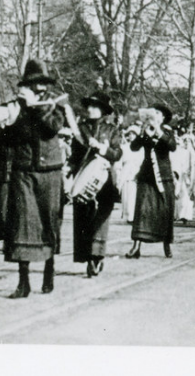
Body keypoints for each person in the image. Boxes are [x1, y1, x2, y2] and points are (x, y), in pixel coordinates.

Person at [0, 59, 66, 299]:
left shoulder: (55, 105)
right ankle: (23, 282)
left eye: (42, 84)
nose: (39, 88)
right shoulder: (15, 107)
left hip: (50, 172)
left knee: (49, 222)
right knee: (22, 224)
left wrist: (37, 107)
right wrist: (5, 124)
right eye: (34, 84)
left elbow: (52, 128)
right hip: (23, 171)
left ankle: (49, 268)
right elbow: (6, 140)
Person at [66, 91, 123, 277]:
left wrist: (101, 148)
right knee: (83, 217)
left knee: (101, 219)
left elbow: (117, 154)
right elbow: (75, 156)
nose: (89, 109)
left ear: (102, 110)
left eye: (94, 106)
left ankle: (97, 255)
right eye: (88, 106)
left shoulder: (112, 129)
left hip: (104, 179)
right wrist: (69, 171)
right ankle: (87, 257)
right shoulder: (80, 129)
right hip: (83, 177)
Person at [126, 105, 177, 259]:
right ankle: (136, 246)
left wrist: (158, 131)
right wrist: (143, 134)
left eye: (157, 114)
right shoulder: (145, 130)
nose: (155, 116)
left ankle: (166, 244)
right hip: (147, 176)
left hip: (164, 176)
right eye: (153, 113)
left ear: (162, 118)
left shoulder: (167, 131)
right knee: (142, 210)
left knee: (165, 210)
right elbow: (133, 147)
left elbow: (172, 146)